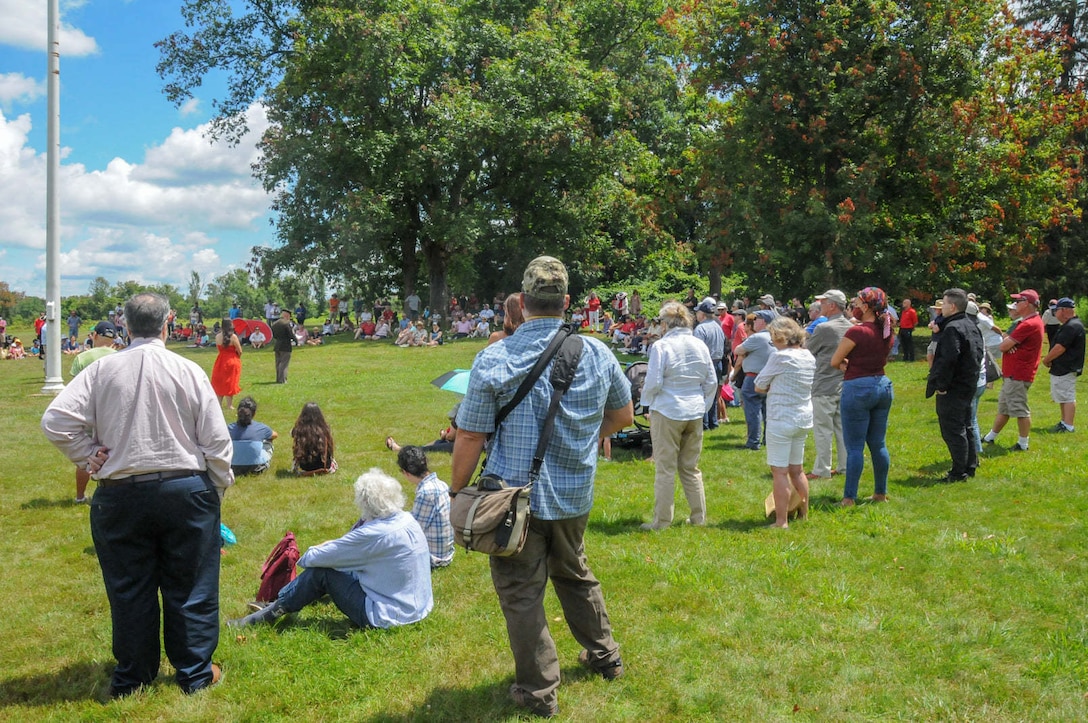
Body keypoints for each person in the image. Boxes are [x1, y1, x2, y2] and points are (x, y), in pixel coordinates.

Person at [451, 256, 634, 717]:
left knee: (521, 594)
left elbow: (470, 434)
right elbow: (623, 418)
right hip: (574, 495)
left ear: (522, 301)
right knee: (575, 573)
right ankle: (605, 656)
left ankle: (538, 692)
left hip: (510, 502)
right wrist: (582, 438)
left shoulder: (495, 356)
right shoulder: (597, 352)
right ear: (567, 301)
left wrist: (456, 491)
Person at [41, 292, 233, 697]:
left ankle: (134, 677)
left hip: (121, 492)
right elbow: (217, 442)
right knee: (193, 585)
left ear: (125, 326)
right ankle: (194, 674)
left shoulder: (101, 371)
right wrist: (214, 489)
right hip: (185, 488)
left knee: (130, 588)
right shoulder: (188, 370)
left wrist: (87, 454)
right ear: (168, 323)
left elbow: (56, 420)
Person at [228, 469, 433, 629]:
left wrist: (325, 546)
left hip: (387, 616)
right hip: (418, 607)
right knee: (342, 567)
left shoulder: (372, 534)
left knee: (322, 573)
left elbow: (311, 559)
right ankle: (279, 602)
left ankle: (271, 611)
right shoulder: (407, 519)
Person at [638, 301, 716, 530]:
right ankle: (698, 518)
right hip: (693, 410)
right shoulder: (699, 345)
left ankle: (661, 521)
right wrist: (703, 406)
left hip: (668, 410)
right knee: (691, 467)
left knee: (665, 468)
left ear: (665, 323)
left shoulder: (662, 346)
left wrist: (646, 404)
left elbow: (653, 381)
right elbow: (711, 381)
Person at [830, 287, 895, 506]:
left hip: (857, 387)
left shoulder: (857, 332)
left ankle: (849, 497)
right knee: (878, 443)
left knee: (855, 447)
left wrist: (847, 365)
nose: (854, 307)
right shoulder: (886, 330)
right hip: (882, 385)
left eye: (858, 303)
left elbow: (834, 360)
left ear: (866, 307)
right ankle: (880, 493)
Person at [754, 317, 815, 527]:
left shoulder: (780, 357)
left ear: (781, 337)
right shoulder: (808, 356)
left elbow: (759, 384)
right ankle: (804, 513)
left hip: (781, 418)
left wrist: (772, 387)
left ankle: (781, 521)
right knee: (797, 470)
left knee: (779, 471)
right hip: (803, 417)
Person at [926, 289, 984, 482]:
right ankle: (970, 465)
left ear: (952, 306)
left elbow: (948, 360)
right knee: (966, 424)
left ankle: (959, 471)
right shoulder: (970, 324)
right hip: (969, 383)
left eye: (943, 304)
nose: (940, 308)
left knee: (953, 428)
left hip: (954, 386)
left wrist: (942, 385)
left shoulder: (952, 328)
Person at [982, 289, 1045, 451]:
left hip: (1019, 373)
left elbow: (1003, 345)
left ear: (1027, 304)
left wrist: (1009, 344)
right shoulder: (1027, 322)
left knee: (1019, 409)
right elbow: (1005, 342)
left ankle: (1023, 444)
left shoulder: (1029, 324)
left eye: (1018, 301)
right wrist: (1009, 343)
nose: (1015, 304)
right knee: (1004, 407)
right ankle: (991, 437)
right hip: (1013, 373)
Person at [68, 320, 120, 503]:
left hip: (87, 413)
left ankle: (80, 496)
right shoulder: (119, 357)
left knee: (86, 456)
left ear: (94, 336)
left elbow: (72, 391)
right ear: (113, 338)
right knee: (114, 453)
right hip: (112, 413)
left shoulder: (82, 358)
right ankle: (112, 492)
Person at [805, 290, 852, 481]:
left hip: (824, 383)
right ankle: (844, 466)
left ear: (832, 305)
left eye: (823, 302)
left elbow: (808, 350)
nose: (821, 306)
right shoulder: (850, 327)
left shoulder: (825, 328)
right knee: (842, 428)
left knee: (823, 429)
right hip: (844, 382)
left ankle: (822, 469)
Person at [396, 446, 454, 568]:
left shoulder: (425, 492)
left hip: (433, 558)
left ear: (406, 473)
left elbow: (414, 530)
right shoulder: (441, 484)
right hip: (446, 552)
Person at [733, 310, 776, 450]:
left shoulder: (757, 338)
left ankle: (753, 442)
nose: (753, 322)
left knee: (752, 410)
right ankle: (768, 440)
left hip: (753, 377)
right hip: (770, 377)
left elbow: (738, 350)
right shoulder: (775, 337)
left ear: (763, 321)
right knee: (767, 411)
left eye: (757, 319)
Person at [1042, 297, 1085, 433]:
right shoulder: (1070, 325)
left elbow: (1060, 347)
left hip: (1067, 366)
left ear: (1065, 310)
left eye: (1057, 310)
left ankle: (1068, 425)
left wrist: (1046, 359)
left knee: (1067, 396)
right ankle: (1063, 421)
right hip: (1062, 367)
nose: (1055, 313)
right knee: (1062, 395)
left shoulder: (1072, 326)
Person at [693, 298, 726, 430]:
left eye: (697, 312)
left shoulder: (700, 328)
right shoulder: (718, 326)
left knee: (702, 393)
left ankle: (704, 424)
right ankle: (713, 422)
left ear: (702, 314)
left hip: (706, 363)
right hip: (718, 363)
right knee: (713, 393)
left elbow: (697, 349)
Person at [228, 397, 278, 475]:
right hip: (257, 468)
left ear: (238, 413)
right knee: (268, 441)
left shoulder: (229, 428)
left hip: (233, 467)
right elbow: (275, 435)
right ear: (254, 414)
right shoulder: (261, 428)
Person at [292, 402, 337, 475]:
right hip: (324, 465)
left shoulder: (299, 430)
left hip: (305, 467)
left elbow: (292, 434)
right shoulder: (325, 429)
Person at [211, 318, 243, 410]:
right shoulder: (233, 337)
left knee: (220, 382)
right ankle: (229, 405)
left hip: (221, 360)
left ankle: (219, 404)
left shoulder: (217, 337)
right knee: (230, 382)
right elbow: (239, 351)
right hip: (232, 360)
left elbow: (219, 349)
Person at [270, 308, 294, 384]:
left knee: (278, 363)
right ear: (287, 315)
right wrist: (296, 341)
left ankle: (278, 378)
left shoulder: (275, 323)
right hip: (285, 345)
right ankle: (282, 379)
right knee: (284, 363)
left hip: (277, 345)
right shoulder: (286, 323)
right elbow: (291, 334)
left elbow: (273, 334)